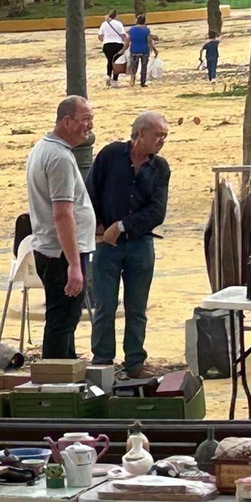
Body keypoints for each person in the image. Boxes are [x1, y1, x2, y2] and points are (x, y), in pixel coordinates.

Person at [86, 111, 170, 376]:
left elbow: (157, 212)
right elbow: (90, 191)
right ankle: (102, 361)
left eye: (164, 136)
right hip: (105, 245)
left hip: (140, 244)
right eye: (158, 135)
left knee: (136, 307)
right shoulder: (110, 155)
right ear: (140, 133)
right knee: (105, 305)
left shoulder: (160, 168)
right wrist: (99, 225)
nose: (161, 141)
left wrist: (122, 226)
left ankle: (134, 362)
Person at [25, 96, 98, 359]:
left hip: (50, 250)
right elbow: (62, 214)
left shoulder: (44, 149)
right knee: (61, 322)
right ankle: (54, 386)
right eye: (85, 120)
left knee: (65, 321)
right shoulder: (59, 158)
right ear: (67, 121)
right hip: (60, 254)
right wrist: (74, 264)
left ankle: (65, 377)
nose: (89, 126)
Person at [97, 9, 128, 86]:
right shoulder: (118, 23)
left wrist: (104, 40)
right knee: (116, 62)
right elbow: (123, 35)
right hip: (118, 44)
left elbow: (100, 36)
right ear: (116, 16)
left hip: (107, 44)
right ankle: (115, 80)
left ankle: (108, 75)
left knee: (109, 60)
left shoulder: (104, 24)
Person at [127, 14, 158, 86]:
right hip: (144, 50)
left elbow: (128, 40)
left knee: (134, 66)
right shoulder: (146, 30)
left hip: (134, 50)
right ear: (144, 21)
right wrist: (154, 50)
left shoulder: (132, 30)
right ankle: (142, 82)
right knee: (144, 67)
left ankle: (133, 78)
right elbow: (149, 42)